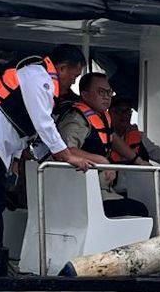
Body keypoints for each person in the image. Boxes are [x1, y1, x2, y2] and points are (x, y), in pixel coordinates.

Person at [0, 44, 93, 263]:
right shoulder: (38, 78)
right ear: (61, 68)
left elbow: (27, 126)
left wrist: (24, 156)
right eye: (74, 75)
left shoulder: (36, 76)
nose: (73, 82)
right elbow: (43, 123)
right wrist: (67, 156)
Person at [56, 73, 151, 217]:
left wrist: (138, 161)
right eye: (101, 92)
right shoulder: (76, 119)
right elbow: (65, 150)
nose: (106, 97)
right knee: (139, 210)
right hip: (79, 194)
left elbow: (113, 139)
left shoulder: (102, 117)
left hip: (101, 190)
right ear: (85, 95)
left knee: (139, 206)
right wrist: (102, 161)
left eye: (109, 92)